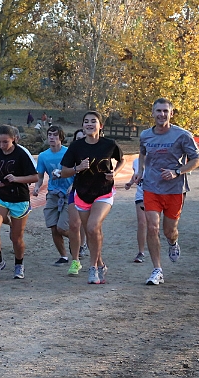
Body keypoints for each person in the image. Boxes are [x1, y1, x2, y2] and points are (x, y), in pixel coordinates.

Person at [133, 98, 199, 285]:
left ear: (171, 113)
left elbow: (197, 160)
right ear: (153, 113)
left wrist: (177, 171)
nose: (161, 114)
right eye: (158, 111)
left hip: (174, 189)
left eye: (165, 111)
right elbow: (142, 153)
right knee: (152, 227)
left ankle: (173, 243)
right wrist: (140, 172)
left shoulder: (182, 135)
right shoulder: (146, 135)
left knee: (169, 231)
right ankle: (157, 270)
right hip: (151, 187)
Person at [60, 111, 125, 284]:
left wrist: (115, 172)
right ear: (82, 125)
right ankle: (101, 263)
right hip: (82, 193)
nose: (89, 124)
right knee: (92, 232)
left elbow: (121, 160)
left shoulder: (109, 144)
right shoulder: (76, 146)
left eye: (93, 121)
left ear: (100, 125)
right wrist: (78, 168)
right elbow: (64, 171)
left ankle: (93, 268)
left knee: (92, 226)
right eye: (86, 121)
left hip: (103, 191)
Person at [0, 125, 39, 280]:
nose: (1, 145)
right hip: (1, 196)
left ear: (14, 139)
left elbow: (35, 177)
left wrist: (16, 179)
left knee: (16, 238)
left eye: (5, 142)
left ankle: (19, 264)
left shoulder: (22, 154)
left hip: (19, 198)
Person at [32, 125, 74, 267]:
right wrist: (37, 187)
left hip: (69, 193)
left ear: (61, 137)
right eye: (50, 135)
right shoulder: (43, 156)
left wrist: (72, 185)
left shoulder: (69, 153)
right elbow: (40, 175)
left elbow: (77, 172)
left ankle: (78, 240)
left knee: (62, 228)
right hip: (53, 194)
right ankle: (63, 256)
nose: (52, 137)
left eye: (55, 135)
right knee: (53, 227)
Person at [65, 129, 89, 276]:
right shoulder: (73, 152)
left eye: (83, 137)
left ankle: (97, 261)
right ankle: (75, 260)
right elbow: (65, 170)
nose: (81, 140)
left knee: (91, 226)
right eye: (78, 138)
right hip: (76, 190)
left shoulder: (100, 149)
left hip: (95, 192)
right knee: (74, 225)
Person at [124, 158, 147, 263]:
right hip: (141, 195)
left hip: (155, 195)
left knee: (153, 225)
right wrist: (130, 182)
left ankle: (155, 248)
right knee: (142, 223)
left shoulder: (158, 158)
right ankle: (141, 252)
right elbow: (136, 175)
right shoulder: (136, 161)